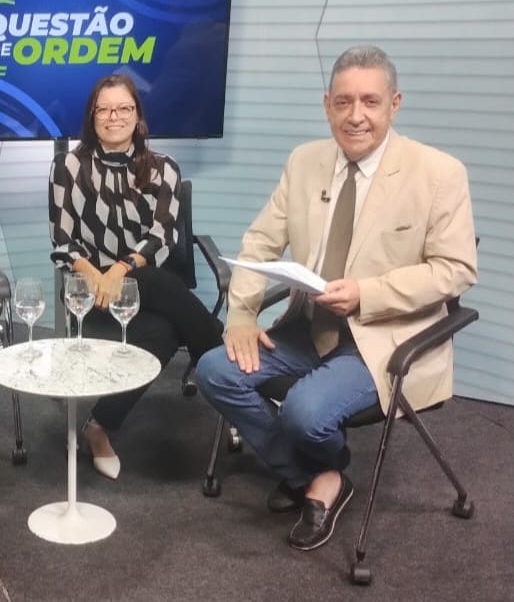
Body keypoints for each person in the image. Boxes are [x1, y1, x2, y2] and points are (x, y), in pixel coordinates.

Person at [194, 45, 478, 551]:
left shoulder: (438, 174)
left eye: (370, 101)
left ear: (395, 103)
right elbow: (259, 242)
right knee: (215, 369)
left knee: (304, 412)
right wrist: (241, 314)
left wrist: (367, 294)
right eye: (343, 102)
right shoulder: (305, 161)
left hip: (384, 338)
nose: (356, 115)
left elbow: (454, 270)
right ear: (327, 104)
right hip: (309, 326)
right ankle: (320, 478)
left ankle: (309, 473)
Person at [49, 73, 223, 480]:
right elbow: (62, 241)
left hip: (146, 286)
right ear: (92, 116)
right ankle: (223, 360)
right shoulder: (68, 167)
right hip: (88, 290)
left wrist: (121, 271)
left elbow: (161, 239)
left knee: (159, 317)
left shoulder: (164, 169)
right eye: (104, 109)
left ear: (138, 116)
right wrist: (99, 276)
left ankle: (97, 428)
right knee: (167, 311)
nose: (114, 117)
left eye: (124, 108)